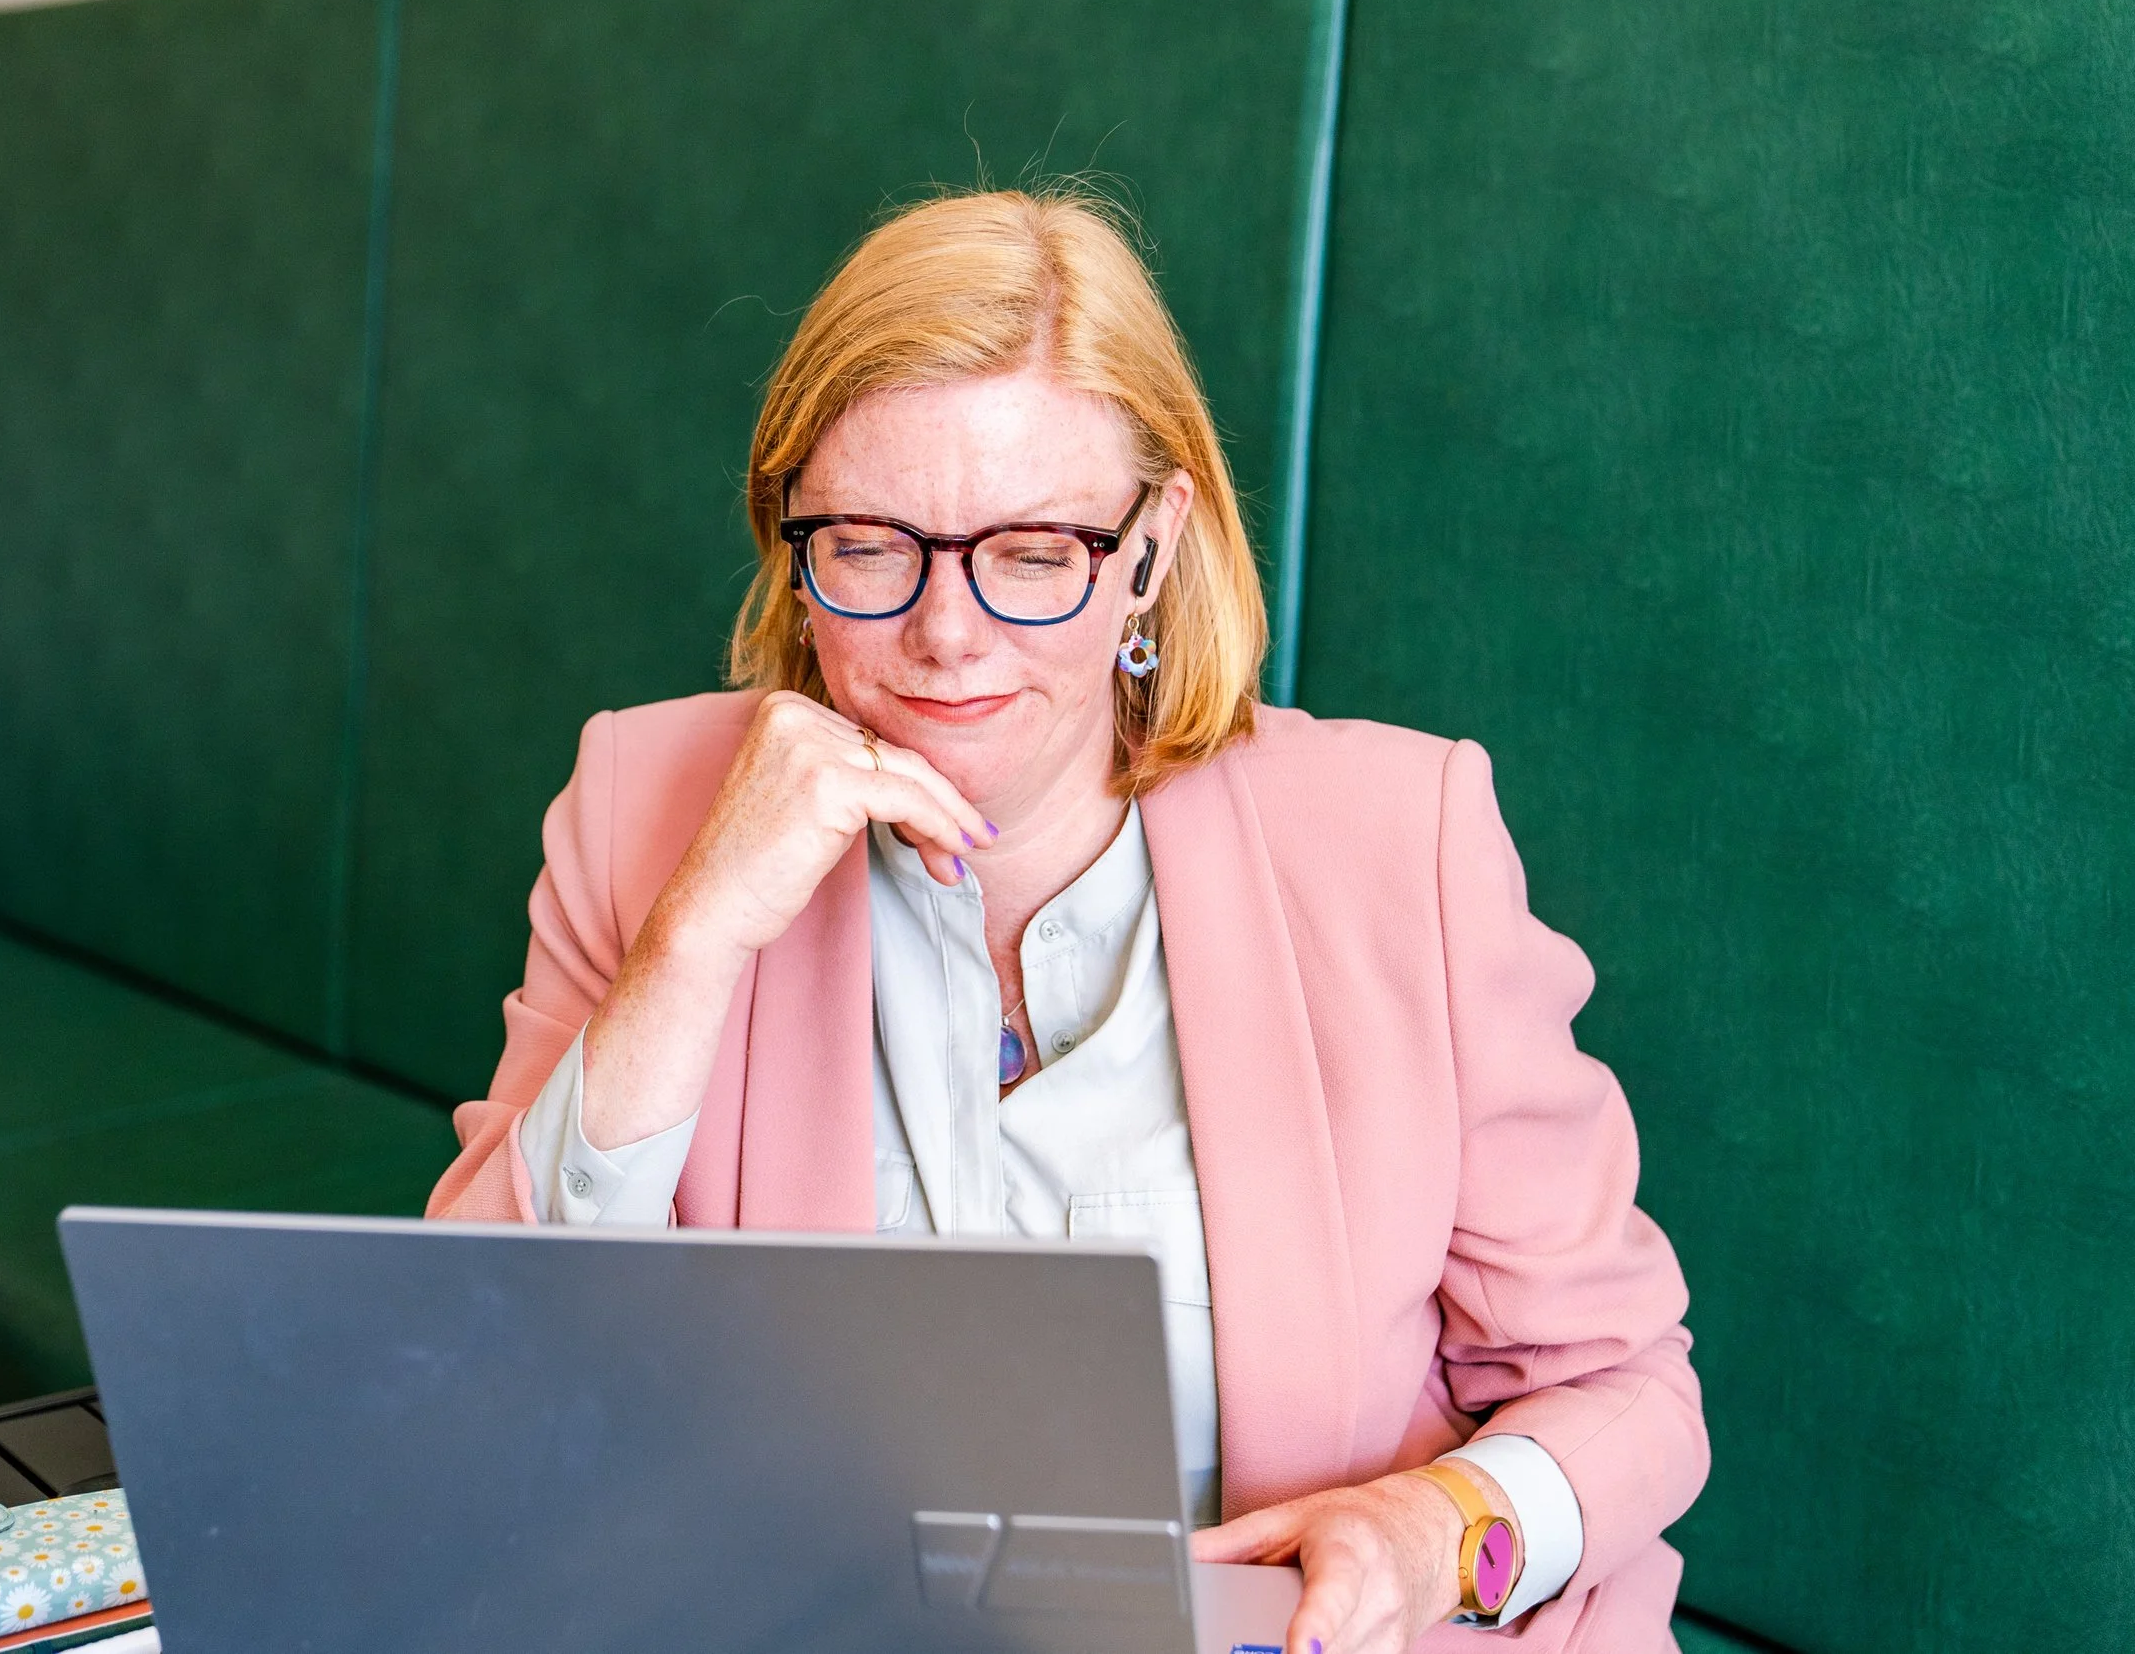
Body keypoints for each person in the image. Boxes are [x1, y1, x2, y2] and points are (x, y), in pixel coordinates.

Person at [427, 187, 1707, 1653]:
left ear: (1149, 551)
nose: (946, 634)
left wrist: (1440, 1530)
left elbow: (1631, 1391)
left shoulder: (1399, 841)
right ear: (793, 544)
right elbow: (473, 1383)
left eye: (1034, 553)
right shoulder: (643, 804)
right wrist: (694, 939)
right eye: (870, 544)